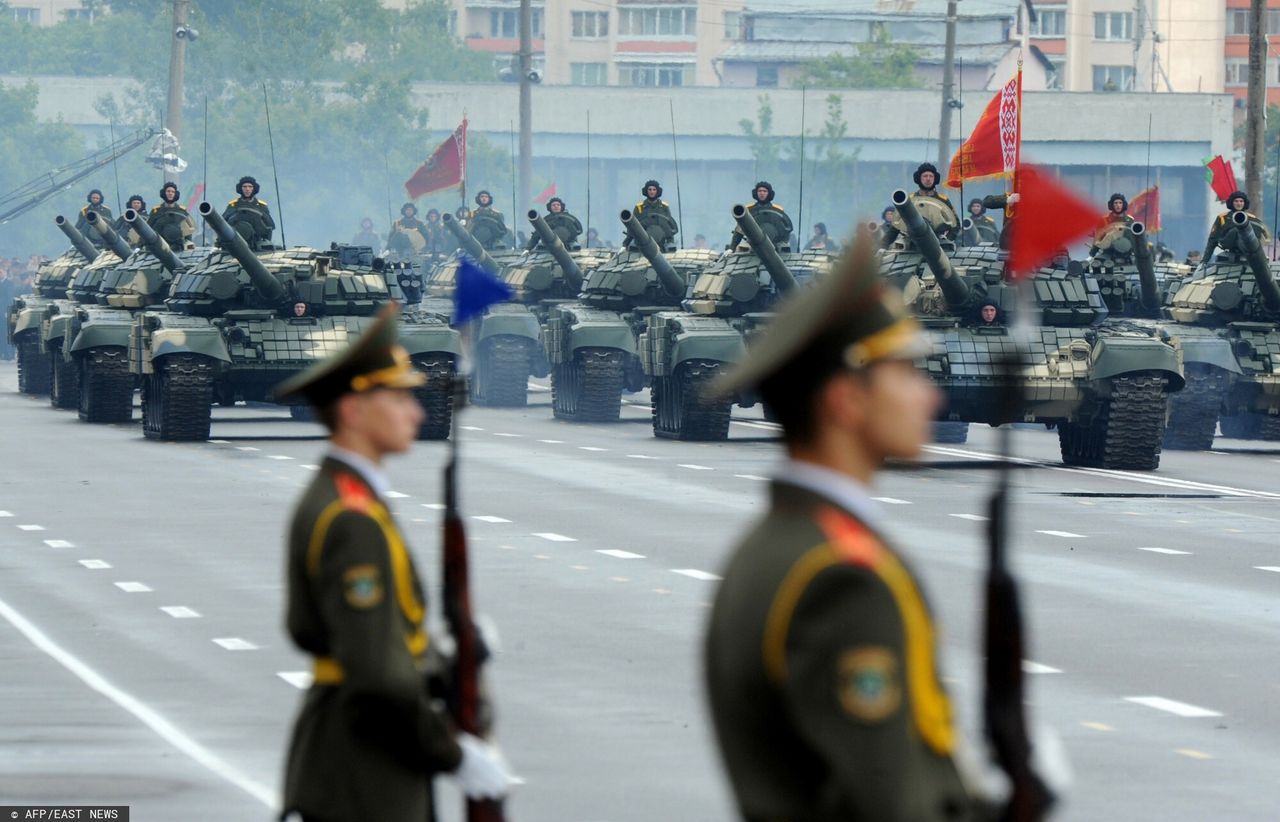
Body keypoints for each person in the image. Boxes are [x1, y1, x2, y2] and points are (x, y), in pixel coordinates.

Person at [703, 233, 996, 821]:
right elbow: (888, 800)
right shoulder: (842, 578)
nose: (930, 395)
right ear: (845, 400)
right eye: (906, 372)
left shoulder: (773, 547)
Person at [274, 305, 514, 822]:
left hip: (355, 760)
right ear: (355, 410)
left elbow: (382, 646)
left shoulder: (347, 498)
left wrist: (448, 663)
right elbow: (378, 677)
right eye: (400, 396)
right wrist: (452, 753)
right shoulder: (352, 519)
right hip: (363, 774)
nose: (417, 412)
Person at [1201, 190, 1268, 265]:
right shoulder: (1223, 218)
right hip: (1229, 244)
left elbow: (1263, 235)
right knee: (1237, 230)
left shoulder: (1252, 218)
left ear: (1244, 203)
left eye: (1241, 201)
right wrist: (1204, 261)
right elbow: (1212, 240)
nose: (1239, 204)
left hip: (1248, 250)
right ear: (1231, 203)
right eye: (1236, 201)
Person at [729, 181, 793, 251]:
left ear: (769, 193)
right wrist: (731, 248)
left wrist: (783, 242)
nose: (762, 193)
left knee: (784, 248)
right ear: (756, 193)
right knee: (742, 248)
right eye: (759, 191)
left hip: (775, 245)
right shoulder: (749, 210)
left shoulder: (777, 210)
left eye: (765, 191)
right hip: (752, 245)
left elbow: (784, 230)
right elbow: (739, 230)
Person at [222, 176, 275, 249]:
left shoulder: (261, 206)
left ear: (254, 188)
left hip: (257, 244)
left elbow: (270, 225)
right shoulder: (233, 205)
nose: (247, 189)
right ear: (240, 188)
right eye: (244, 187)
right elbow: (223, 223)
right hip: (236, 243)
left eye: (250, 187)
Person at [626, 179, 679, 252]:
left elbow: (669, 226)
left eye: (654, 189)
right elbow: (633, 226)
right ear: (646, 191)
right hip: (641, 246)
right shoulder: (639, 208)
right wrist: (626, 243)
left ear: (658, 191)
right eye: (650, 189)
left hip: (661, 246)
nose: (652, 192)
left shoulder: (664, 207)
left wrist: (670, 242)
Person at [149, 182, 197, 250]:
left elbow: (188, 230)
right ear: (164, 193)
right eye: (168, 191)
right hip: (159, 246)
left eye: (173, 192)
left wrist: (189, 243)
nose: (170, 193)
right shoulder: (156, 211)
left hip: (179, 246)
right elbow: (148, 228)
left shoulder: (182, 211)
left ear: (175, 194)